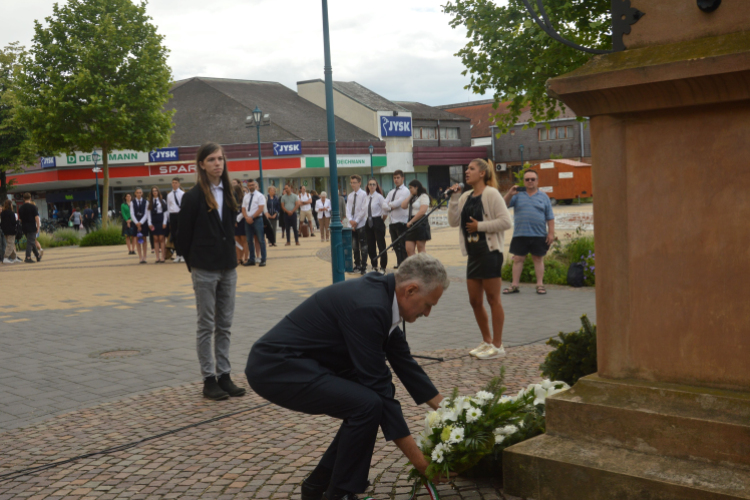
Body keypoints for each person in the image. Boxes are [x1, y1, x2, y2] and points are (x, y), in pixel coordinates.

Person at [245, 254, 450, 500]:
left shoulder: (385, 296)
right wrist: (420, 462)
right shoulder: (370, 306)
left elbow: (405, 364)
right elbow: (379, 391)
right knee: (367, 404)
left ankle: (319, 485)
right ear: (411, 290)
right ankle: (339, 493)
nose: (427, 313)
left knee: (368, 403)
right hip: (277, 367)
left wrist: (452, 412)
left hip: (307, 363)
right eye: (429, 304)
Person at [177, 142, 246, 401]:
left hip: (228, 267)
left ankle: (225, 375)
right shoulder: (192, 197)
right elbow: (182, 236)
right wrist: (193, 264)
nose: (218, 163)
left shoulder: (229, 192)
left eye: (220, 159)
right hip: (204, 268)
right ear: (201, 165)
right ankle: (209, 379)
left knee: (225, 324)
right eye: (212, 160)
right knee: (206, 324)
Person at [448, 159, 513, 360]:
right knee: (475, 300)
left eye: (471, 169)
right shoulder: (465, 196)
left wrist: (480, 226)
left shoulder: (491, 194)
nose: (467, 172)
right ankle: (486, 341)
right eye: (466, 168)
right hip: (474, 254)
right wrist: (453, 198)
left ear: (482, 173)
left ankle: (498, 344)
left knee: (493, 299)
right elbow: (453, 222)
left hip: (490, 251)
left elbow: (506, 222)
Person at [503, 169, 555, 295]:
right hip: (520, 233)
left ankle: (540, 285)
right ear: (524, 181)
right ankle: (514, 285)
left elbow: (550, 217)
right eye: (527, 179)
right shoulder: (517, 195)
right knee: (518, 259)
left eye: (533, 179)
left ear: (537, 181)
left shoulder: (544, 197)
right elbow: (503, 205)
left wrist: (551, 233)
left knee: (538, 259)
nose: (530, 181)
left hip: (539, 234)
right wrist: (510, 193)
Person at [383, 170, 411, 269]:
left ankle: (405, 265)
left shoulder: (405, 191)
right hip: (392, 222)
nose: (396, 180)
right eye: (394, 178)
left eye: (398, 177)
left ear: (402, 178)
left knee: (403, 245)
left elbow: (397, 203)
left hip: (401, 221)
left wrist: (389, 205)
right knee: (395, 245)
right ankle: (399, 263)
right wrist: (390, 206)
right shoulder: (391, 192)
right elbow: (384, 204)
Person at [401, 180, 431, 257]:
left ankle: (423, 266)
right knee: (409, 248)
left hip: (420, 222)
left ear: (416, 187)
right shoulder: (413, 198)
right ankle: (414, 266)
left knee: (420, 248)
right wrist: (410, 196)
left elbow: (422, 211)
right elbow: (403, 206)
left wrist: (411, 221)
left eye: (411, 188)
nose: (410, 189)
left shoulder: (423, 196)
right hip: (411, 221)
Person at [346, 175, 368, 274]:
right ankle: (357, 264)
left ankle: (364, 265)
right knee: (354, 246)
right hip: (352, 225)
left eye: (354, 182)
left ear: (359, 183)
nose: (352, 184)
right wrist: (350, 220)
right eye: (351, 183)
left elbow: (364, 210)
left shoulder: (364, 195)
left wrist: (356, 221)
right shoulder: (350, 196)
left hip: (361, 224)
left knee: (363, 246)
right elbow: (348, 210)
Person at [364, 178, 387, 273]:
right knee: (370, 245)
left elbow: (385, 210)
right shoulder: (366, 198)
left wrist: (381, 221)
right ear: (368, 186)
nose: (372, 186)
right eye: (370, 184)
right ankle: (374, 265)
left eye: (374, 184)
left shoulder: (379, 197)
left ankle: (383, 267)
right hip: (368, 221)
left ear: (377, 186)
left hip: (377, 220)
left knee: (381, 245)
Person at [242, 179, 267, 267]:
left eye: (252, 185)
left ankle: (263, 259)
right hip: (247, 220)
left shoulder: (260, 196)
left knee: (261, 240)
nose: (251, 186)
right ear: (248, 186)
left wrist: (252, 217)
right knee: (249, 240)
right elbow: (243, 209)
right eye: (249, 185)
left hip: (257, 220)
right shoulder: (246, 196)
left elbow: (261, 208)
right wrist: (246, 217)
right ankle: (251, 259)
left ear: (255, 186)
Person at [18, 193, 42, 263]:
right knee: (30, 242)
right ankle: (27, 257)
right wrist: (38, 226)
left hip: (24, 227)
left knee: (32, 242)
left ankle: (37, 256)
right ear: (30, 198)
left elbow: (21, 219)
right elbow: (37, 217)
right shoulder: (33, 207)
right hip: (31, 226)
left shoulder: (21, 208)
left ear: (23, 199)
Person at [147, 187, 168, 263]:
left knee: (161, 239)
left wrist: (164, 222)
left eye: (156, 191)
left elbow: (165, 213)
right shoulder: (149, 202)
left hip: (161, 220)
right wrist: (149, 223)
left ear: (158, 192)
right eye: (153, 191)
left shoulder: (162, 201)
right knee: (155, 239)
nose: (155, 192)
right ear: (151, 193)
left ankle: (163, 256)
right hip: (153, 220)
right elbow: (148, 214)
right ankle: (157, 257)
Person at [167, 177, 185, 263]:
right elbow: (168, 207)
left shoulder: (182, 194)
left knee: (181, 235)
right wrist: (167, 219)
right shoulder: (169, 195)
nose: (174, 184)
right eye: (173, 182)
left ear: (179, 184)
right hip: (172, 215)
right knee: (174, 236)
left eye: (176, 182)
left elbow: (184, 206)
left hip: (180, 215)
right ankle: (178, 255)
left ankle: (183, 255)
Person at [130, 187, 149, 264]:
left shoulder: (146, 202)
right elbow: (132, 214)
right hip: (135, 222)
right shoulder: (132, 202)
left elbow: (146, 214)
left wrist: (141, 223)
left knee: (144, 239)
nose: (139, 194)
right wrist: (137, 223)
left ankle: (144, 257)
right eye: (137, 192)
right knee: (137, 239)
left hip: (143, 222)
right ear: (135, 193)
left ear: (142, 193)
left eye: (140, 192)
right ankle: (140, 257)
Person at [232, 183, 249, 265]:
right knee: (237, 241)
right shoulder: (231, 200)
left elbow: (244, 211)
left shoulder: (244, 199)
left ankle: (246, 257)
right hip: (234, 222)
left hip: (242, 221)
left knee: (244, 240)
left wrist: (237, 220)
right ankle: (239, 258)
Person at [1, 199, 20, 264]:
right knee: (10, 244)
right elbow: (13, 222)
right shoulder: (11, 213)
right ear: (10, 205)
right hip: (11, 230)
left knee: (9, 244)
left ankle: (14, 258)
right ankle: (5, 257)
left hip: (5, 230)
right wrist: (17, 222)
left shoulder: (2, 213)